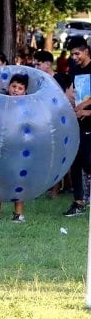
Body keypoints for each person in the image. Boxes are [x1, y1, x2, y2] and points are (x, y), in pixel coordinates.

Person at [0, 74, 29, 222]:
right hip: (1, 147)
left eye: (20, 88)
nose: (16, 90)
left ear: (25, 91)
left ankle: (18, 213)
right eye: (14, 86)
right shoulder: (1, 103)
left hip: (19, 148)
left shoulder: (27, 106)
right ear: (8, 87)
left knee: (18, 179)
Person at [65, 41, 91, 217]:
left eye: (77, 54)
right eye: (72, 55)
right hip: (79, 122)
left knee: (88, 161)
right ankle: (78, 201)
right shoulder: (74, 70)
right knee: (75, 160)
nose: (74, 58)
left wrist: (85, 108)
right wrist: (72, 103)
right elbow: (71, 91)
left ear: (86, 51)